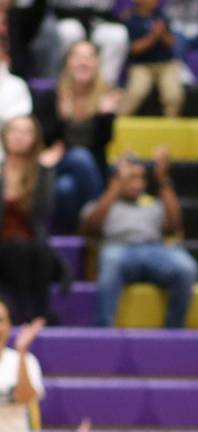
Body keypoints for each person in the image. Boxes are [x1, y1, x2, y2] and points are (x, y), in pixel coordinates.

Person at [81, 148, 198, 329]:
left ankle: (174, 329)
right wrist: (116, 187)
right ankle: (104, 329)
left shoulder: (151, 203)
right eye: (132, 178)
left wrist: (162, 179)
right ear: (115, 180)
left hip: (154, 249)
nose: (138, 183)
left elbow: (174, 225)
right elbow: (91, 228)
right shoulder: (102, 203)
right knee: (111, 260)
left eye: (142, 178)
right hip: (118, 249)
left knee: (187, 267)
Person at [32, 39, 120, 233]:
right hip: (58, 164)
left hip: (91, 171)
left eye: (89, 57)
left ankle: (68, 236)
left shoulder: (105, 96)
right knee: (79, 157)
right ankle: (99, 220)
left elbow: (104, 142)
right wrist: (62, 119)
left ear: (96, 64)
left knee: (66, 188)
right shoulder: (52, 96)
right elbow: (43, 138)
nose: (83, 62)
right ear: (68, 62)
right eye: (78, 56)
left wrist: (105, 117)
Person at [0, 115, 66, 324]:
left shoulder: (42, 173)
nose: (20, 137)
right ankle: (27, 315)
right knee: (17, 248)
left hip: (32, 245)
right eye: (15, 131)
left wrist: (44, 171)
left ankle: (36, 313)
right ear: (5, 135)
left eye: (27, 132)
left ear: (35, 138)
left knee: (36, 250)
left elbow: (44, 211)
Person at [120, 0, 184, 117]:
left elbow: (171, 43)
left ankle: (171, 128)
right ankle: (118, 125)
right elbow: (134, 49)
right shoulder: (131, 19)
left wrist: (163, 33)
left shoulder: (161, 16)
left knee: (173, 96)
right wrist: (153, 36)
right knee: (135, 93)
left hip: (166, 64)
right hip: (141, 65)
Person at [47, 1, 129, 85]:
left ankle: (105, 86)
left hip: (99, 18)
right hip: (67, 16)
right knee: (68, 31)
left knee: (117, 34)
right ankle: (60, 85)